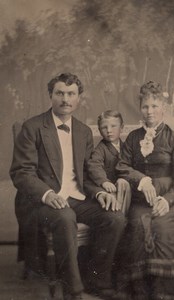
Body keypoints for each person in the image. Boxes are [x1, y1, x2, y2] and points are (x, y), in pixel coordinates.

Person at [9, 73, 126, 300]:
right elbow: (21, 173)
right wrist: (47, 193)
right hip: (40, 201)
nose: (65, 99)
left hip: (75, 196)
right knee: (64, 217)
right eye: (60, 93)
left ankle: (97, 280)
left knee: (115, 217)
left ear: (78, 98)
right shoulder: (32, 128)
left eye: (71, 94)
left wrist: (100, 192)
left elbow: (86, 173)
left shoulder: (82, 131)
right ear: (50, 96)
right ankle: (74, 290)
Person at [114, 81, 174, 299]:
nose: (150, 111)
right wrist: (142, 180)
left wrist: (167, 200)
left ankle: (166, 291)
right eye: (146, 106)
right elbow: (122, 166)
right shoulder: (133, 139)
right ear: (140, 108)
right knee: (138, 225)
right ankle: (143, 291)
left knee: (164, 228)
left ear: (163, 108)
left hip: (173, 199)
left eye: (155, 106)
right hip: (141, 198)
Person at [87, 110, 131, 214]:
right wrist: (104, 181)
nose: (109, 130)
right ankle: (121, 216)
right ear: (99, 130)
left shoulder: (126, 147)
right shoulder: (100, 149)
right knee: (121, 183)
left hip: (128, 188)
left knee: (125, 183)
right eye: (104, 127)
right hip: (112, 189)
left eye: (113, 126)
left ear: (121, 127)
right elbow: (94, 166)